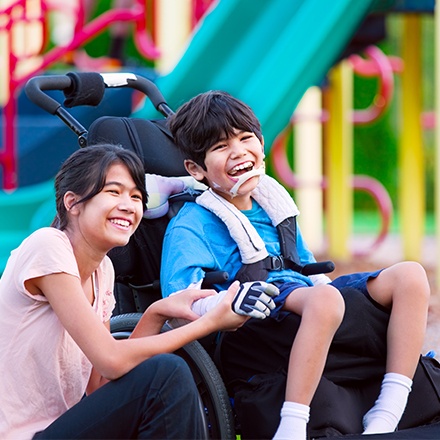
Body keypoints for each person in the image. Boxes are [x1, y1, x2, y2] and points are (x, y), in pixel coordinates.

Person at [160, 91, 431, 439]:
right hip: (253, 316)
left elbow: (306, 268)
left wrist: (335, 297)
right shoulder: (192, 223)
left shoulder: (271, 205)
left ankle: (390, 408)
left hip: (303, 299)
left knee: (411, 276)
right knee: (325, 301)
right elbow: (179, 301)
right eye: (221, 146)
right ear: (196, 169)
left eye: (245, 139)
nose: (238, 151)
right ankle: (291, 426)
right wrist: (221, 302)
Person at [0, 143, 249, 439]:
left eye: (136, 196)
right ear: (73, 202)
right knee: (166, 373)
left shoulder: (102, 270)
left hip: (62, 428)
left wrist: (156, 314)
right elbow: (111, 358)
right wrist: (210, 323)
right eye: (113, 192)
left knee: (163, 377)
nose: (129, 206)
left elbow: (99, 384)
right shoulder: (48, 246)